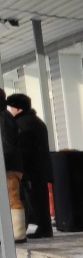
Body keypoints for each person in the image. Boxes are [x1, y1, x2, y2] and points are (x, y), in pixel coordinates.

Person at [6, 93, 53, 239]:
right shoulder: (36, 121)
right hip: (40, 169)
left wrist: (20, 168)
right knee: (39, 199)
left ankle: (42, 228)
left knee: (32, 200)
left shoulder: (22, 124)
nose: (11, 110)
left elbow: (22, 150)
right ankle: (44, 227)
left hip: (31, 170)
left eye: (12, 107)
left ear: (17, 108)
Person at [2, 88, 24, 243]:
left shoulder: (3, 119)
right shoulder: (6, 116)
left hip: (8, 166)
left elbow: (6, 144)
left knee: (12, 199)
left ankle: (18, 233)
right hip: (9, 165)